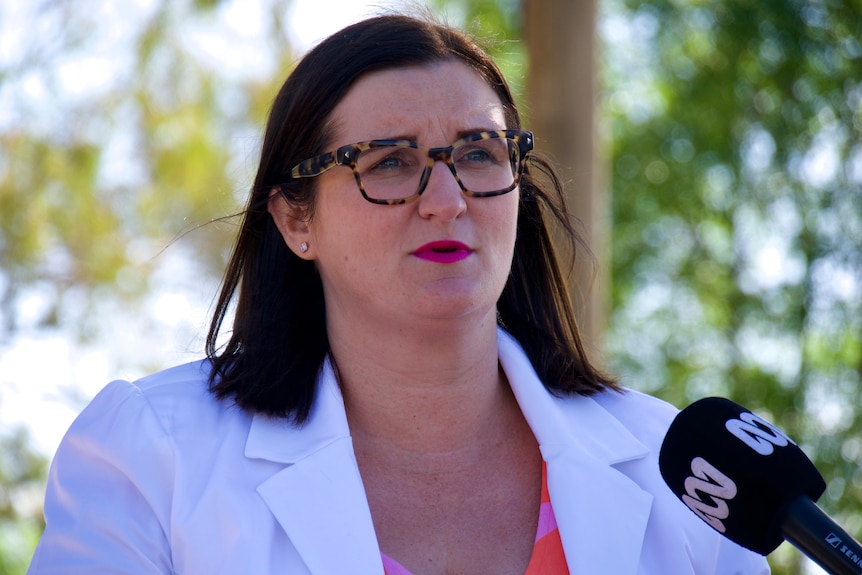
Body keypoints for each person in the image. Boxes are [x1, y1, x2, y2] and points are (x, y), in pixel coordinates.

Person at [27, 13, 770, 575]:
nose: (446, 198)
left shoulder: (685, 474)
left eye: (479, 153)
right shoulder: (152, 454)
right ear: (294, 217)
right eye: (386, 162)